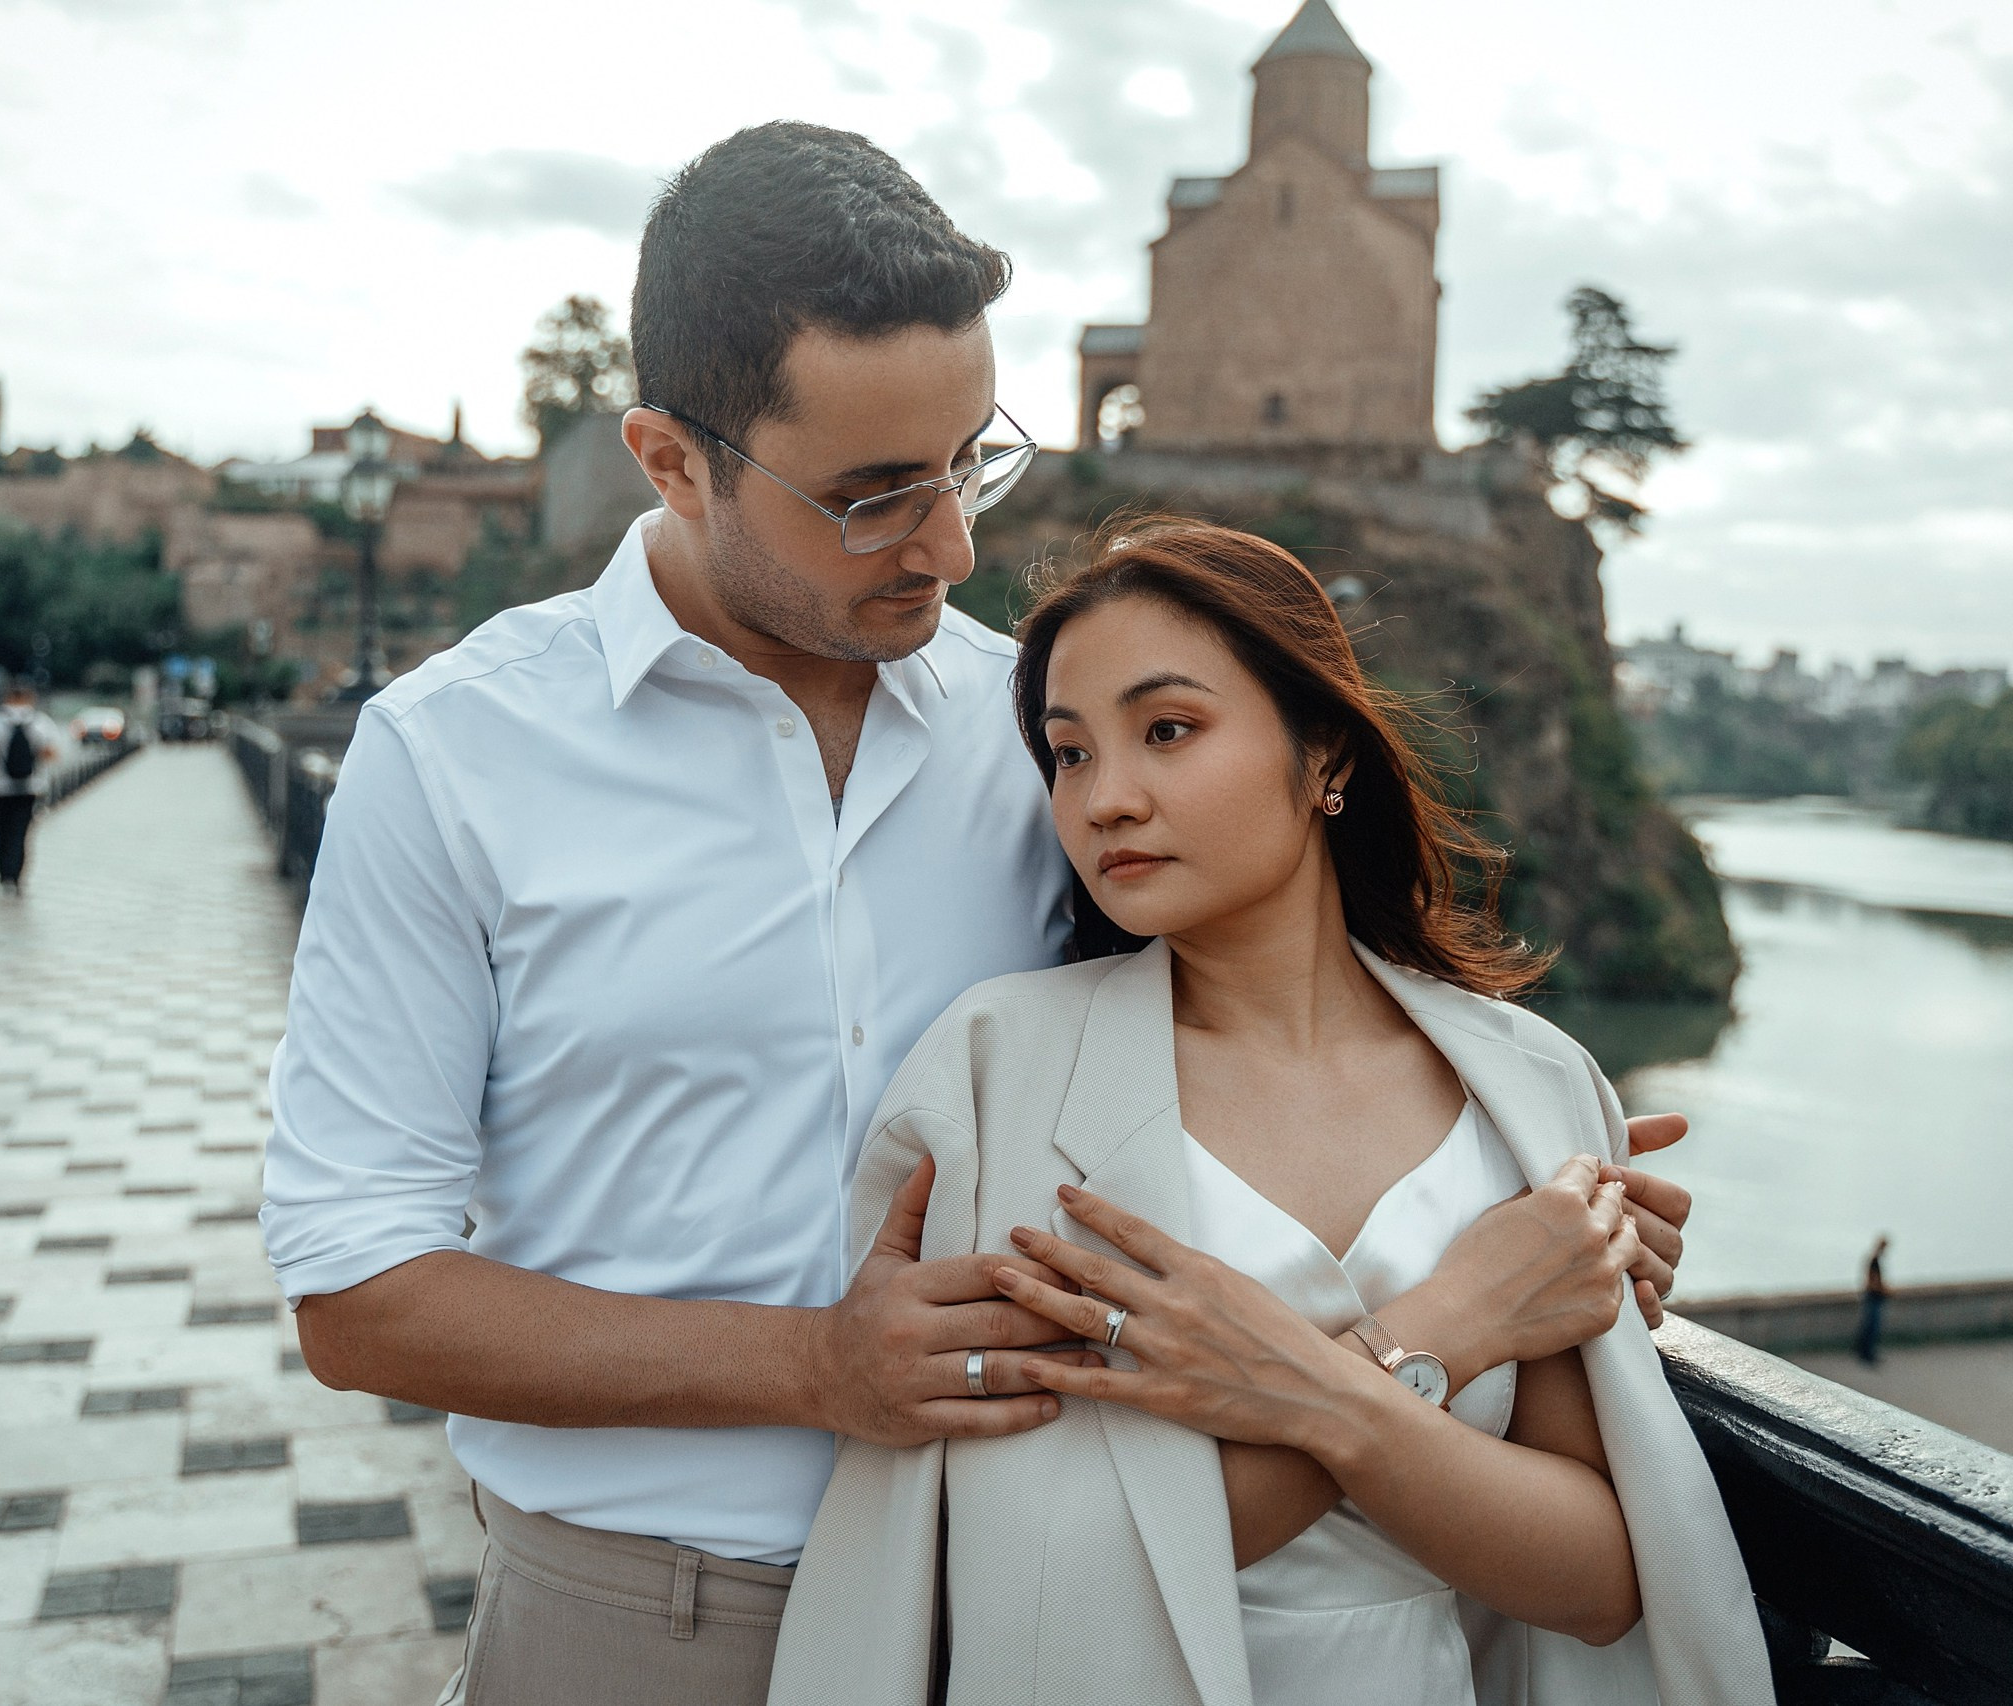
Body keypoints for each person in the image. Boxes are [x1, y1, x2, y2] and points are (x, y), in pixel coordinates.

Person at [262, 125, 1702, 1706]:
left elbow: (1263, 1049)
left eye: (970, 461)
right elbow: (357, 1294)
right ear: (672, 460)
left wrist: (1540, 1181)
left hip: (1077, 1607)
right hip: (652, 1617)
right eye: (876, 497)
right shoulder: (451, 753)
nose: (951, 545)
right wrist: (813, 1365)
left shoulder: (1041, 739)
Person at [772, 522, 1771, 1706]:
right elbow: (1039, 1569)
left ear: (1323, 751)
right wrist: (1444, 1329)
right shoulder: (1002, 1072)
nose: (1105, 798)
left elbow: (1601, 1580)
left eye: (1168, 730)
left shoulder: (1529, 1085)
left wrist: (1322, 1396)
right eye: (1069, 753)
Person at [0, 676, 58, 894]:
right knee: (20, 834)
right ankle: (17, 877)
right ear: (29, 697)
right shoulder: (40, 722)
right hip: (29, 788)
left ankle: (3, 876)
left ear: (6, 697)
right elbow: (51, 754)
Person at [1858, 1235, 1892, 1364]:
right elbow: (1872, 1282)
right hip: (1873, 1297)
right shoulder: (1874, 1260)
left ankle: (1865, 1353)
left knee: (1870, 1326)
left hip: (1873, 1296)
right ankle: (1866, 1354)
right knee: (1871, 1327)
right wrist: (1885, 1290)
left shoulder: (1874, 1260)